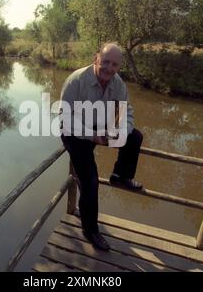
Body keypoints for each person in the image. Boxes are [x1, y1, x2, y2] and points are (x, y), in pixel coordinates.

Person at [59, 42, 144, 251]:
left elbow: (126, 113)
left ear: (119, 67)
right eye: (105, 62)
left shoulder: (118, 83)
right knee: (90, 182)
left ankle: (120, 175)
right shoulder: (77, 80)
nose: (109, 68)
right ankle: (91, 230)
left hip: (99, 125)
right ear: (96, 59)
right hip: (75, 132)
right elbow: (64, 118)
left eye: (114, 64)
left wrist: (121, 132)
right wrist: (92, 137)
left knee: (134, 137)